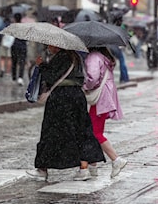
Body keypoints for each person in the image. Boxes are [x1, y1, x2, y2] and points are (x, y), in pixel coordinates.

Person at [26, 45, 105, 181]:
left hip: (61, 98)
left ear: (57, 45)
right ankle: (84, 167)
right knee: (80, 131)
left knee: (51, 132)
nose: (48, 47)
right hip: (77, 97)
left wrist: (42, 65)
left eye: (49, 45)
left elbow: (51, 77)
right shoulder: (76, 57)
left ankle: (42, 168)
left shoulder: (61, 58)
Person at [83, 46, 127, 178]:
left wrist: (84, 87)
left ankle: (116, 160)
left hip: (100, 99)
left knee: (94, 133)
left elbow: (92, 78)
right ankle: (93, 165)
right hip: (105, 97)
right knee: (95, 131)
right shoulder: (103, 57)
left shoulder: (93, 57)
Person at [108, 14, 130, 83]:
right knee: (122, 61)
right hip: (117, 47)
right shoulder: (120, 28)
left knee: (112, 62)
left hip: (112, 47)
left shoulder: (111, 27)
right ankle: (124, 78)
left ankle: (122, 78)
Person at [10, 13, 27, 86]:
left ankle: (14, 77)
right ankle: (20, 77)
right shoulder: (24, 27)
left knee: (14, 62)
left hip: (15, 46)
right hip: (23, 47)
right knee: (22, 62)